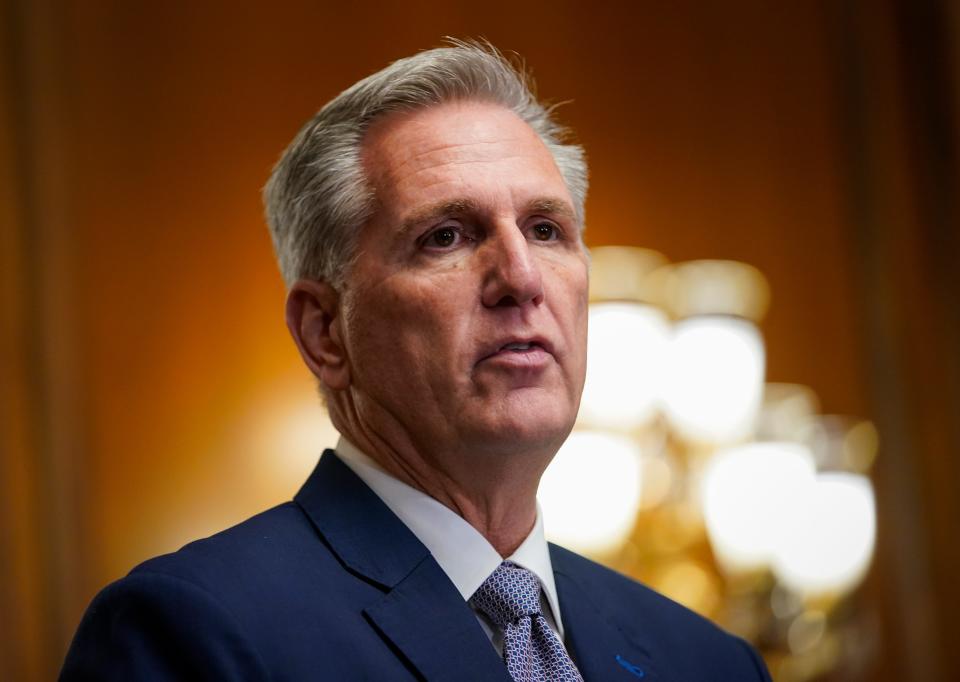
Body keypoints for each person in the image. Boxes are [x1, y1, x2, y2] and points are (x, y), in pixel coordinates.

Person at [61, 41, 772, 681]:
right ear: (325, 333)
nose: (521, 278)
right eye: (447, 236)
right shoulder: (194, 634)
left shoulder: (709, 661)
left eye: (547, 229)